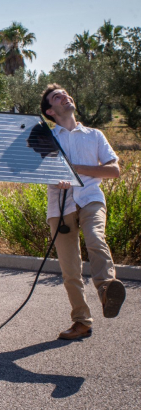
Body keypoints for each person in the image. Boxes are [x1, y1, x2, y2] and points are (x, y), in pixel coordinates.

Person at [40, 84, 125, 340]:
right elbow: (40, 172)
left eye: (65, 93)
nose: (65, 97)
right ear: (50, 111)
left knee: (96, 238)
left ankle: (107, 290)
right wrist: (59, 177)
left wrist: (73, 169)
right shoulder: (45, 138)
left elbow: (113, 170)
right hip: (60, 206)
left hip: (90, 198)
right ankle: (81, 322)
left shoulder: (94, 135)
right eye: (57, 97)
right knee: (70, 270)